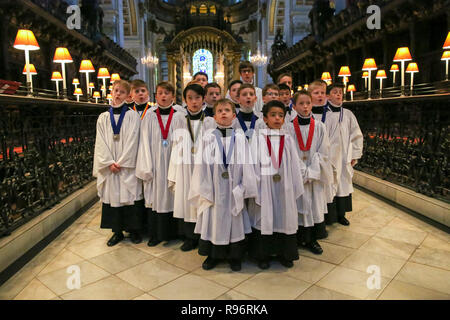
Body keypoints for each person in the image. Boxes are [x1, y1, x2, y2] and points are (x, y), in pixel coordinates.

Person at [188, 98, 257, 272]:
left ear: (234, 116)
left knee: (234, 221)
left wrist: (243, 186)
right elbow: (201, 166)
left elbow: (247, 164)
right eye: (220, 111)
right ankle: (213, 255)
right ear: (215, 117)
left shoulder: (240, 138)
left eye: (227, 110)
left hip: (235, 188)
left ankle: (235, 256)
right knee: (214, 220)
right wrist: (205, 188)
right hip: (214, 188)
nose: (223, 113)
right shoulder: (208, 138)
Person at [247, 100, 304, 269]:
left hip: (284, 186)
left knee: (284, 216)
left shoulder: (288, 139)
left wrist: (294, 184)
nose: (277, 118)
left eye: (281, 115)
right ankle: (262, 255)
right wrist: (256, 186)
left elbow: (294, 164)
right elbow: (252, 163)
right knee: (265, 217)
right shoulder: (258, 139)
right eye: (273, 115)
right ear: (265, 118)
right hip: (264, 185)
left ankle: (285, 254)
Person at [93, 80, 143, 246]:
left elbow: (133, 140)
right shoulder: (103, 118)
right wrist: (108, 163)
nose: (118, 94)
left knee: (129, 197)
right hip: (110, 168)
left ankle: (134, 230)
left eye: (122, 92)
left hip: (126, 167)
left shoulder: (132, 116)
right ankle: (117, 232)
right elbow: (100, 143)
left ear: (128, 95)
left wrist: (121, 162)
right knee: (113, 198)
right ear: (111, 92)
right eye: (116, 91)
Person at [168, 84, 215, 251]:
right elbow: (175, 144)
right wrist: (173, 171)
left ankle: (203, 235)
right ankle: (189, 237)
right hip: (185, 167)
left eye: (197, 98)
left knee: (202, 197)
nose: (194, 102)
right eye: (190, 98)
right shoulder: (179, 119)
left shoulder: (210, 121)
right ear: (185, 100)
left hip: (203, 167)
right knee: (187, 200)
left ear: (203, 100)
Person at [136, 81, 181, 247]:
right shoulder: (149, 116)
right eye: (160, 93)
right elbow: (144, 142)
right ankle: (155, 234)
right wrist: (146, 165)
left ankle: (173, 232)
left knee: (172, 196)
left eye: (167, 93)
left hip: (173, 162)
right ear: (156, 96)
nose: (163, 96)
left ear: (173, 97)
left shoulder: (179, 115)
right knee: (156, 198)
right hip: (154, 163)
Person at [287, 90, 332, 255]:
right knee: (297, 205)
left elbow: (324, 151)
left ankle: (312, 239)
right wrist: (301, 171)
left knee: (313, 206)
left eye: (308, 103)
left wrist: (311, 171)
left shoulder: (320, 127)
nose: (305, 107)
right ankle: (298, 238)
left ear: (312, 104)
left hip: (314, 177)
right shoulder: (289, 127)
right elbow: (289, 153)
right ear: (294, 106)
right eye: (301, 103)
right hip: (296, 176)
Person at [325, 83, 363, 225]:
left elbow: (356, 134)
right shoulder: (325, 114)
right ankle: (329, 217)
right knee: (330, 185)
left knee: (343, 185)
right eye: (335, 92)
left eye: (340, 92)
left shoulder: (347, 114)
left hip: (344, 156)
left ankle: (341, 215)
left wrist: (355, 154)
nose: (339, 95)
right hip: (329, 157)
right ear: (328, 96)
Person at [309, 80, 336, 224]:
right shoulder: (305, 114)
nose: (320, 96)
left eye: (323, 93)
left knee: (324, 191)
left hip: (327, 158)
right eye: (316, 93)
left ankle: (324, 220)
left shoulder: (332, 115)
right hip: (311, 159)